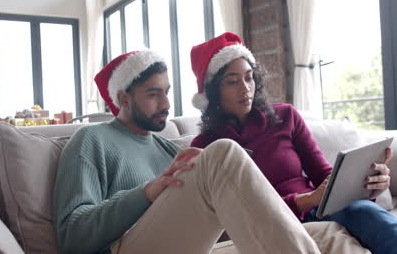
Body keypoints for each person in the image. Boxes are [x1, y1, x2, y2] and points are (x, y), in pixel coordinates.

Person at [52, 50, 367, 254]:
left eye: (167, 93)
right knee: (222, 154)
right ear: (122, 98)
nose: (165, 104)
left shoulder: (165, 150)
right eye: (153, 94)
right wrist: (147, 192)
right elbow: (72, 237)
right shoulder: (91, 140)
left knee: (326, 233)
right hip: (125, 247)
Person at [189, 32, 397, 254]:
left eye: (249, 77)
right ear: (213, 91)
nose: (245, 88)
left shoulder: (285, 116)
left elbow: (324, 175)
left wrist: (365, 184)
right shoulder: (207, 147)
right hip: (273, 226)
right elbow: (234, 217)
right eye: (232, 81)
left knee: (366, 212)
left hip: (318, 209)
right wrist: (306, 200)